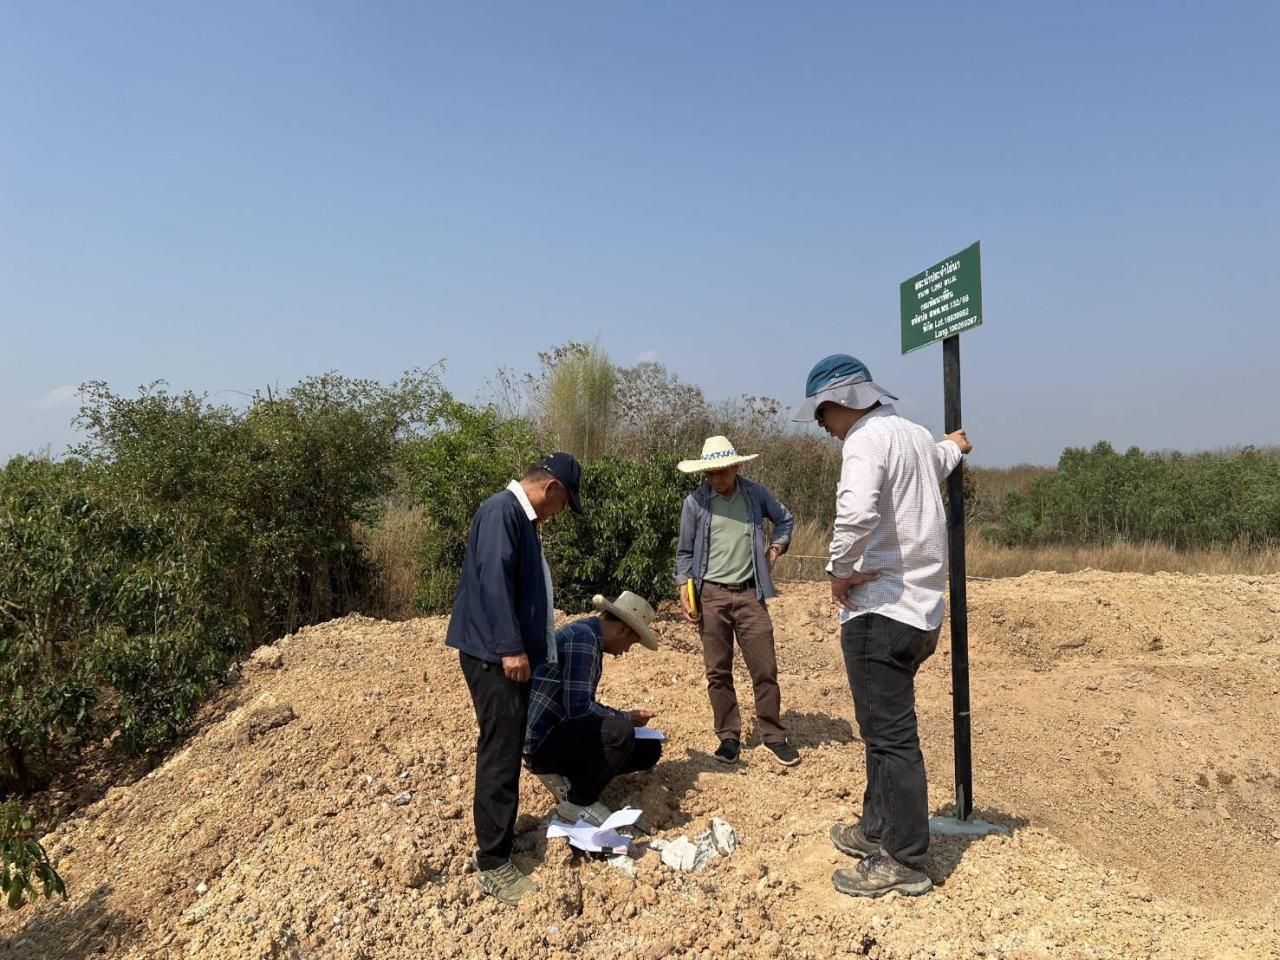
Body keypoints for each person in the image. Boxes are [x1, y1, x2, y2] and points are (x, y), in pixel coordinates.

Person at [791, 353, 972, 899]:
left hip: (880, 611)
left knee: (891, 739)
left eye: (822, 415)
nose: (822, 427)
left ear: (838, 402)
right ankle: (874, 828)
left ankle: (904, 859)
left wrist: (839, 574)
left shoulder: (864, 442)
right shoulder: (915, 436)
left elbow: (857, 514)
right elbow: (941, 458)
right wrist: (956, 446)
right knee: (879, 730)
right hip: (921, 611)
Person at [445, 453, 583, 905]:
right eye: (562, 504)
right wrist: (511, 647)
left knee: (505, 747)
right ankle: (492, 863)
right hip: (493, 657)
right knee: (500, 752)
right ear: (553, 489)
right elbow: (493, 584)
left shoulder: (519, 518)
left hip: (502, 654)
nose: (557, 513)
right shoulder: (501, 512)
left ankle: (501, 840)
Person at [673, 435, 799, 766]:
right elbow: (685, 553)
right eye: (711, 473)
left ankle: (772, 735)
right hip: (710, 594)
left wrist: (775, 549)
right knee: (718, 670)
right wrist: (684, 593)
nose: (717, 478)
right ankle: (729, 737)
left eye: (723, 471)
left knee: (765, 667)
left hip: (750, 593)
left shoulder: (755, 495)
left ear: (736, 466)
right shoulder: (695, 502)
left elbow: (785, 519)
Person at [524, 591, 663, 825]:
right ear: (622, 630)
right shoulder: (583, 639)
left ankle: (570, 776)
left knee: (648, 749)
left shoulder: (588, 636)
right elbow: (579, 710)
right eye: (631, 643)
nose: (625, 651)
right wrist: (625, 718)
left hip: (558, 732)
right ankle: (578, 802)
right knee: (621, 732)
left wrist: (625, 718)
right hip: (542, 742)